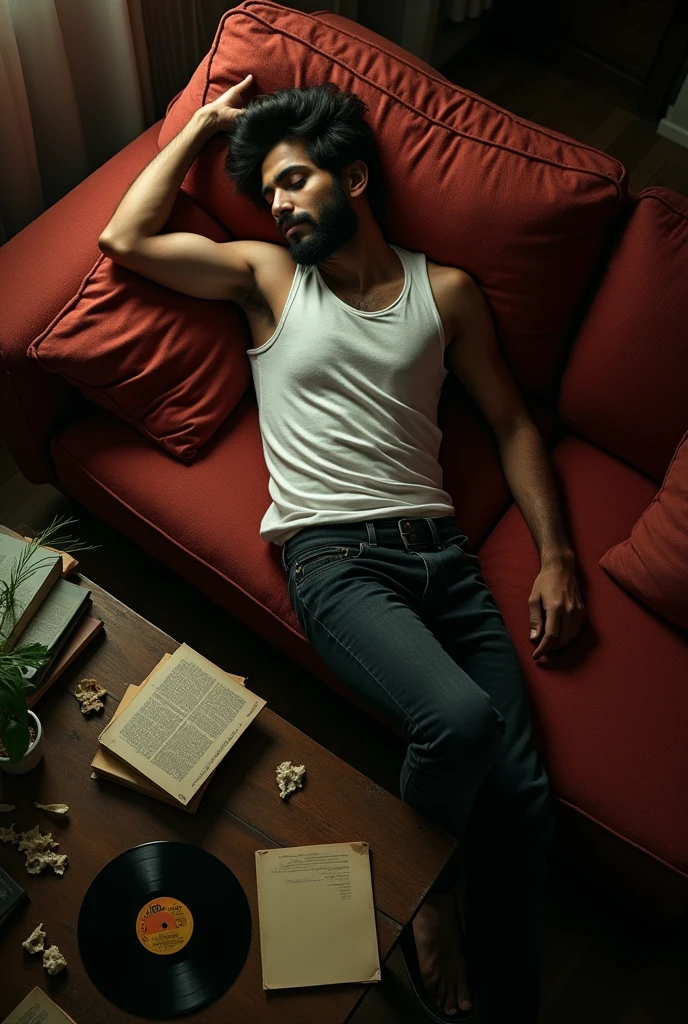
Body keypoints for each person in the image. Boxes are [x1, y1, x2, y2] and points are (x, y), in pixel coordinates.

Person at [98, 75, 586, 1023]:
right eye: (266, 194)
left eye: (291, 182)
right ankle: (427, 899)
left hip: (443, 556)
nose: (276, 207)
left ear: (354, 177)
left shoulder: (446, 291)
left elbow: (514, 425)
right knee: (460, 723)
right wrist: (201, 125)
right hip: (336, 561)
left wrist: (558, 555)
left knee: (525, 799)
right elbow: (127, 239)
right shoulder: (268, 277)